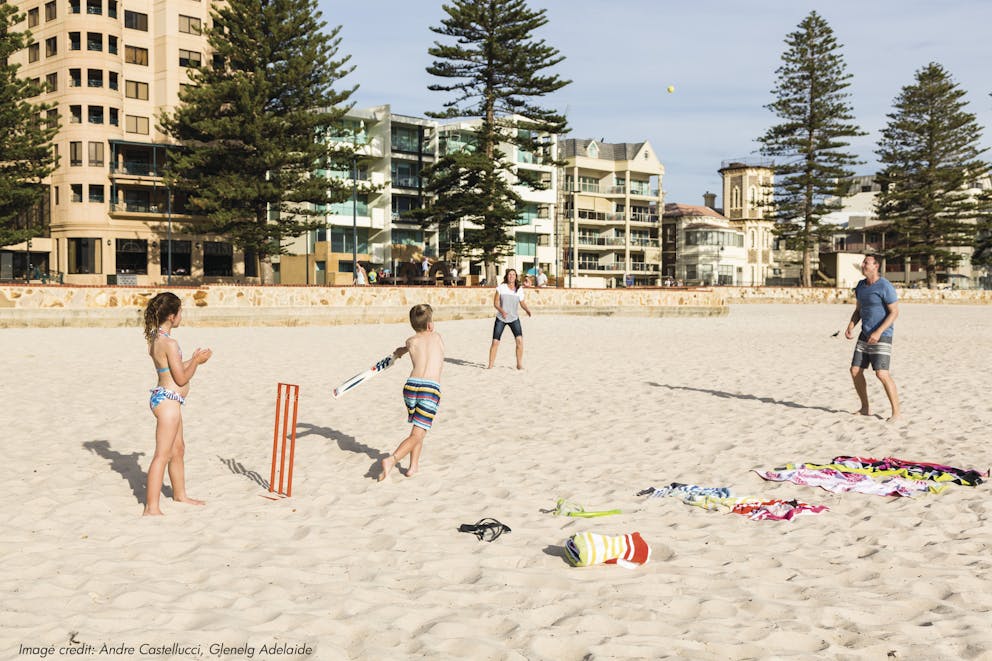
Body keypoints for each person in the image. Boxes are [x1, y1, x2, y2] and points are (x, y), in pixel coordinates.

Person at [142, 292, 212, 515]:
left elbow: (173, 369)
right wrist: (198, 363)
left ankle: (180, 495)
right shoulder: (169, 342)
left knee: (178, 449)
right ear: (171, 316)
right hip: (168, 401)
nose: (182, 315)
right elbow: (181, 378)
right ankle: (151, 507)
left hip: (170, 398)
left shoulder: (156, 336)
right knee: (162, 454)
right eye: (180, 311)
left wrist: (193, 358)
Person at [379, 304, 445, 482]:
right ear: (430, 325)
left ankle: (413, 466)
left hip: (411, 386)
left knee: (417, 429)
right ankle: (391, 459)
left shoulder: (411, 341)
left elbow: (406, 348)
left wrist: (399, 352)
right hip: (429, 389)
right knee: (418, 433)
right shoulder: (437, 337)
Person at [844, 254, 900, 421]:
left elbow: (894, 312)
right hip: (865, 334)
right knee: (855, 371)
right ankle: (865, 408)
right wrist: (851, 325)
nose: (863, 265)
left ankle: (896, 413)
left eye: (866, 263)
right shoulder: (861, 286)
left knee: (882, 374)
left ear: (876, 266)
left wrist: (878, 332)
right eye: (863, 263)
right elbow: (859, 310)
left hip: (882, 334)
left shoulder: (885, 286)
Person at [488, 268, 533, 370]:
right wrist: (502, 311)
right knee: (495, 342)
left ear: (516, 276)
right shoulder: (501, 288)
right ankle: (490, 365)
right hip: (501, 318)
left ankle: (519, 364)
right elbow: (495, 303)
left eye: (513, 274)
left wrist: (527, 310)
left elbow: (522, 302)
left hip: (514, 318)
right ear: (507, 276)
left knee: (520, 341)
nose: (511, 276)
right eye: (509, 274)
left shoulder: (519, 289)